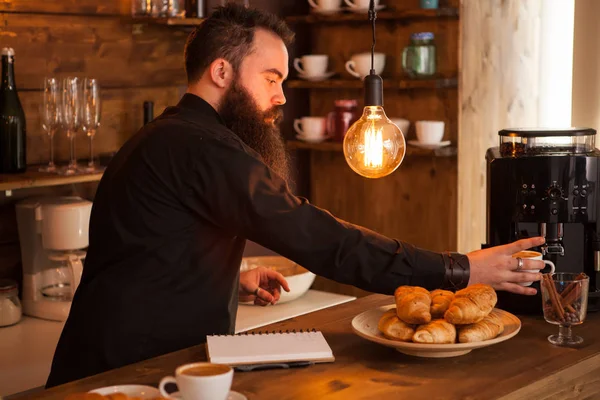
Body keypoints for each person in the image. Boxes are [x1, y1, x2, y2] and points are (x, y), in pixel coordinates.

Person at [46, 4, 545, 387]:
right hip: (126, 378)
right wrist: (461, 268)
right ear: (221, 72)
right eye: (271, 79)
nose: (281, 96)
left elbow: (144, 244)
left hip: (102, 361)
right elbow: (322, 239)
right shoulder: (205, 148)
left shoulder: (162, 137)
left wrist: (224, 275)